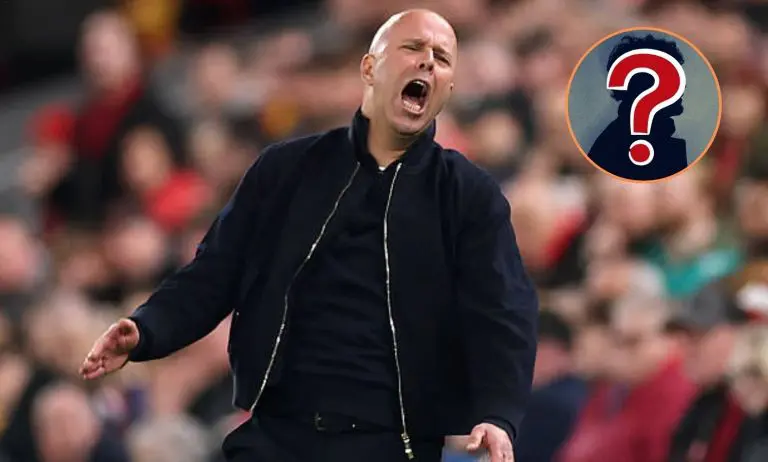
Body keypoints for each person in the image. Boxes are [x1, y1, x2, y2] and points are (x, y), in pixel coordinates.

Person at [79, 8, 539, 462]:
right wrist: (147, 329)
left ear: (449, 89)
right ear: (369, 68)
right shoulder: (284, 170)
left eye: (442, 58)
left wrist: (498, 414)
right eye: (414, 47)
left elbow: (503, 310)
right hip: (278, 432)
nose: (427, 63)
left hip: (392, 442)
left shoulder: (468, 194)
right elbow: (215, 273)